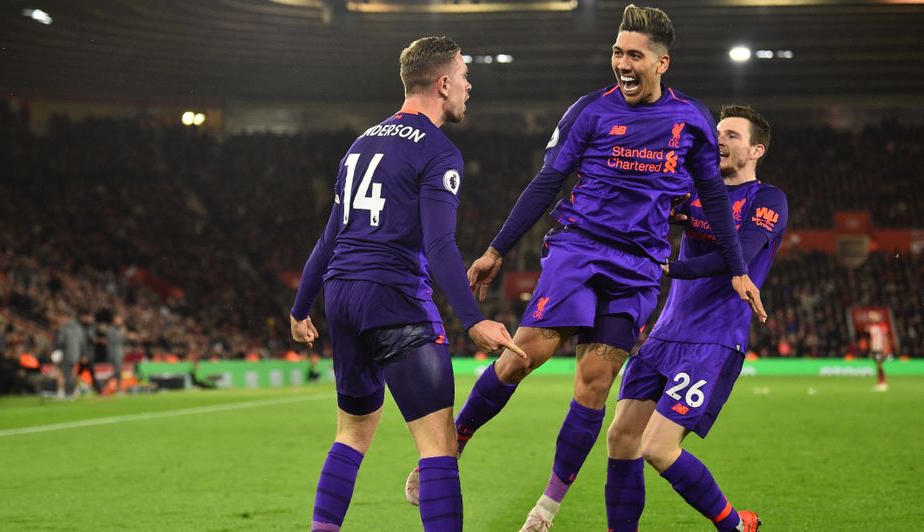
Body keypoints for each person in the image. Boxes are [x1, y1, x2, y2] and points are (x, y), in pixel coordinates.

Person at [405, 5, 767, 530]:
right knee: (523, 356)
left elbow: (713, 194)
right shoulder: (588, 112)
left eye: (634, 54)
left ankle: (546, 508)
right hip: (580, 249)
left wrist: (736, 268)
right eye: (617, 51)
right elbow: (546, 182)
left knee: (595, 381)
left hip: (641, 267)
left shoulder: (691, 120)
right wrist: (498, 248)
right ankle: (456, 439)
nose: (622, 61)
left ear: (662, 63)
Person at [289, 36, 525, 532]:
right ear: (442, 84)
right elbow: (440, 248)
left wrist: (299, 307)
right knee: (438, 445)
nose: (468, 85)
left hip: (342, 297)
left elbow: (329, 237)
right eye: (462, 75)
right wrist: (475, 320)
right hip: (394, 296)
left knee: (351, 435)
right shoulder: (440, 153)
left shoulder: (359, 144)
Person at [605, 104, 786, 532]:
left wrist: (669, 267)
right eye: (718, 133)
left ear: (756, 150)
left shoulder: (768, 199)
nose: (720, 140)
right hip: (664, 336)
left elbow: (737, 254)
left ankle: (735, 526)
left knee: (657, 448)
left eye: (733, 136)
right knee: (620, 439)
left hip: (713, 340)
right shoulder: (693, 188)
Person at [867, 313, 889, 391]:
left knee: (880, 365)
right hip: (875, 349)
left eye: (874, 317)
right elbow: (871, 340)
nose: (872, 319)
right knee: (877, 365)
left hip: (880, 349)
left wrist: (886, 349)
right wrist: (871, 350)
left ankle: (883, 383)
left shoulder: (882, 326)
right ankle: (880, 382)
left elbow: (885, 338)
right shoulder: (872, 328)